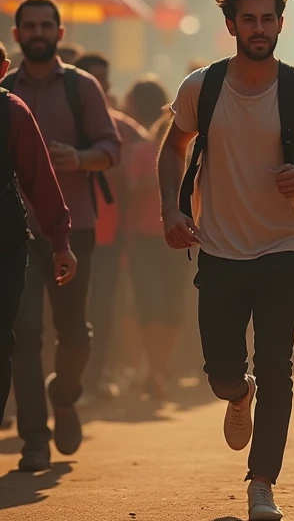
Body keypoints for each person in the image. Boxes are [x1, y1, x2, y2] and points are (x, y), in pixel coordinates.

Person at [157, 0, 294, 521]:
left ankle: (261, 485)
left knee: (278, 367)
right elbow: (173, 148)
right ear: (231, 25)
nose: (259, 28)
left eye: (268, 19)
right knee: (221, 371)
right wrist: (170, 208)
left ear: (280, 24)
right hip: (217, 249)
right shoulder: (202, 87)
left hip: (282, 250)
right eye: (249, 20)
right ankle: (238, 396)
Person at [0, 0, 121, 472]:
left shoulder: (81, 87)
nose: (37, 31)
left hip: (77, 229)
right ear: (16, 33)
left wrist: (79, 157)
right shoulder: (5, 90)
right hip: (16, 236)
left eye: (45, 25)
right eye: (28, 25)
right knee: (25, 332)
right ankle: (35, 438)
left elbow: (111, 145)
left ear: (60, 32)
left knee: (73, 333)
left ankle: (64, 393)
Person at [0, 41, 76, 426]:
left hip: (7, 248)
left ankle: (34, 436)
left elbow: (40, 182)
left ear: (2, 70)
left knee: (7, 340)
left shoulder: (12, 112)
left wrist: (60, 241)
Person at [75, 52, 148, 399]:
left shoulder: (121, 127)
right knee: (57, 313)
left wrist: (95, 161)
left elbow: (148, 157)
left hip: (107, 234)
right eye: (92, 81)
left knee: (102, 308)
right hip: (57, 232)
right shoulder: (55, 120)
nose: (100, 87)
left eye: (103, 81)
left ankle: (96, 377)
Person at [124, 77, 188, 401]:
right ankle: (154, 368)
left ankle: (159, 368)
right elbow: (130, 188)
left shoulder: (190, 154)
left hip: (180, 237)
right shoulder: (141, 150)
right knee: (150, 302)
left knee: (173, 303)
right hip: (145, 238)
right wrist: (158, 178)